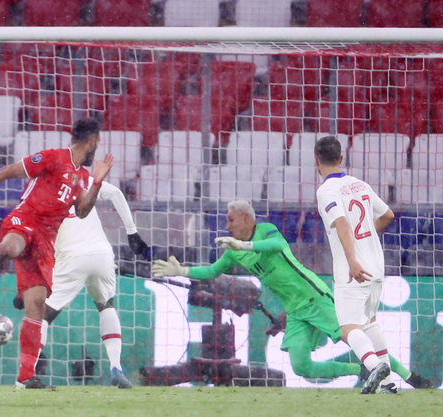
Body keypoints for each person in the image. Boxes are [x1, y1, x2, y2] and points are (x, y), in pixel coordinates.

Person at [151, 199, 431, 390]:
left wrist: (244, 246)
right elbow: (213, 271)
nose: (227, 225)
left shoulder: (266, 230)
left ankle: (410, 377)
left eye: (231, 220)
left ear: (246, 219)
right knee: (301, 367)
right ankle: (360, 370)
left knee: (359, 337)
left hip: (314, 297)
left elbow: (275, 245)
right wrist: (184, 270)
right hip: (296, 312)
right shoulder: (233, 248)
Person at [0, 118, 113, 389]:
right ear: (93, 140)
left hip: (46, 243)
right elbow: (10, 171)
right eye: (98, 141)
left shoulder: (82, 176)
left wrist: (96, 182)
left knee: (36, 305)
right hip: (26, 220)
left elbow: (83, 211)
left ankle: (25, 377)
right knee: (8, 249)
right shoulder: (52, 158)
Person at [40, 177, 149, 389]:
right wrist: (132, 231)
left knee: (42, 315)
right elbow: (116, 193)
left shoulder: (42, 190)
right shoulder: (79, 177)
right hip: (102, 254)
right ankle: (116, 368)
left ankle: (28, 372)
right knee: (107, 307)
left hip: (71, 256)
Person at [314, 135, 397, 394]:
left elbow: (342, 224)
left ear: (316, 161)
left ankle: (374, 366)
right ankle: (388, 384)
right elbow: (388, 215)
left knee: (349, 329)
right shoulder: (359, 184)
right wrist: (367, 239)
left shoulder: (326, 190)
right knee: (369, 322)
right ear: (341, 158)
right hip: (377, 266)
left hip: (354, 271)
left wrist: (352, 260)